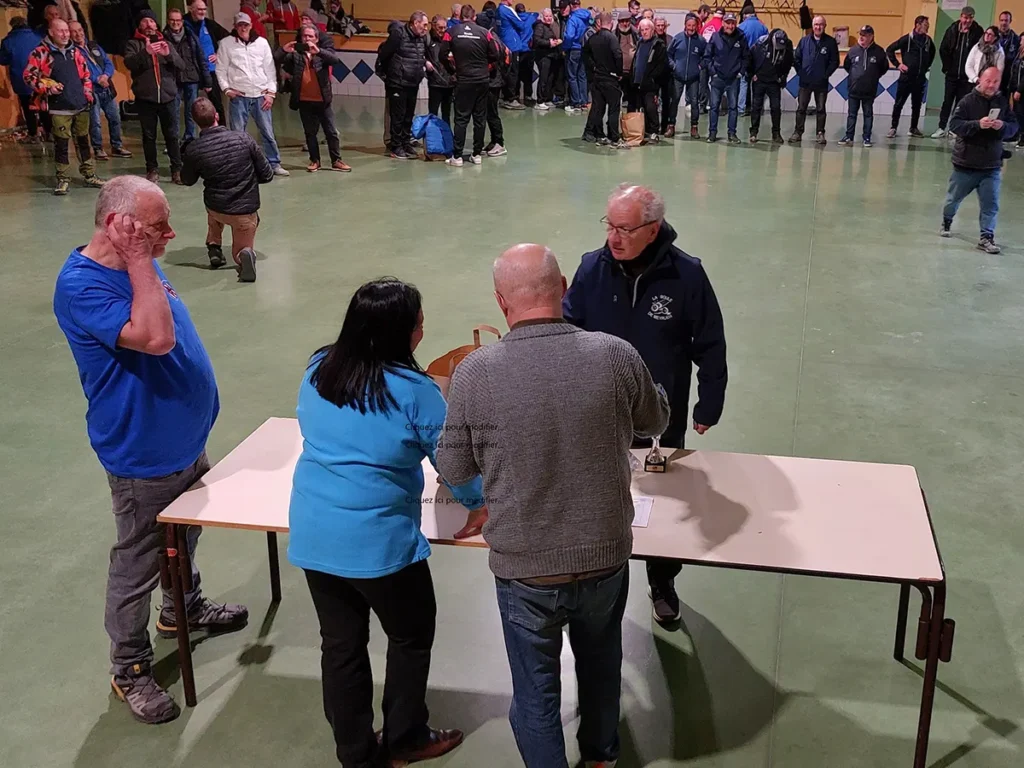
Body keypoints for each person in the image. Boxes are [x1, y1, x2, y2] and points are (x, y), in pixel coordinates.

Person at [436, 242, 670, 768]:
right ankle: (601, 758)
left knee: (537, 695)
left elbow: (454, 470)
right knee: (603, 669)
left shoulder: (476, 373)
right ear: (563, 289)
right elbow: (655, 422)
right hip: (605, 558)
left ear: (501, 302)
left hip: (526, 570)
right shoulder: (615, 354)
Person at [52, 175, 248, 724]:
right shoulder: (83, 285)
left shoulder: (134, 262)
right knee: (138, 560)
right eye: (158, 226)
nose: (170, 233)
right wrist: (142, 259)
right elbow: (156, 340)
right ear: (120, 227)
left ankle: (182, 608)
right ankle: (131, 666)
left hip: (184, 441)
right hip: (143, 455)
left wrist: (142, 256)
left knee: (184, 531)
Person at [289, 278, 478, 768]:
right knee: (411, 635)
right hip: (378, 546)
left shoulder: (318, 367)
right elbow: (454, 466)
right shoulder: (417, 392)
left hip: (314, 533)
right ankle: (406, 737)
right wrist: (480, 503)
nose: (422, 331)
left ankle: (355, 752)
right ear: (403, 334)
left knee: (342, 645)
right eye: (418, 324)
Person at [563, 184, 727, 626]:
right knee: (596, 491)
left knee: (666, 499)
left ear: (652, 230)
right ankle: (595, 574)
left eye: (625, 229)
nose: (614, 238)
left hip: (660, 414)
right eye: (610, 226)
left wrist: (708, 403)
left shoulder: (687, 276)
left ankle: (662, 580)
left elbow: (709, 343)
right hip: (597, 410)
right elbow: (566, 330)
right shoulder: (590, 269)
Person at [181, 97, 273, 280]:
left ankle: (214, 247)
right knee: (241, 250)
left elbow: (187, 180)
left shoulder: (194, 149)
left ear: (195, 122)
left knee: (214, 208)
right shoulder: (244, 138)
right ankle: (244, 256)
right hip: (245, 212)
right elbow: (267, 174)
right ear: (217, 115)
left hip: (216, 208)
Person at [941, 66, 1018, 253]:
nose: (991, 85)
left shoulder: (1002, 102)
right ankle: (947, 220)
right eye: (988, 81)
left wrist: (1003, 126)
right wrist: (977, 124)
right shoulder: (967, 101)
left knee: (991, 205)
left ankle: (986, 237)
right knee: (953, 200)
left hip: (991, 166)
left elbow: (1014, 127)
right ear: (980, 80)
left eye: (996, 81)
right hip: (965, 164)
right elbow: (955, 125)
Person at [24, 18, 103, 195]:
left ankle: (89, 175)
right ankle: (63, 179)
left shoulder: (76, 51)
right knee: (61, 144)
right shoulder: (40, 53)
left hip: (81, 106)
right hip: (58, 108)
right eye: (61, 31)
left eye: (67, 31)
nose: (65, 34)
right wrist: (46, 88)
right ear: (51, 32)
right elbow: (28, 77)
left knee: (84, 142)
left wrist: (88, 92)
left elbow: (86, 75)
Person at [217, 13, 289, 176]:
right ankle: (239, 166)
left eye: (246, 25)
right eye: (240, 25)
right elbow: (221, 69)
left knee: (267, 132)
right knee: (237, 134)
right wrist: (227, 89)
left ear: (251, 25)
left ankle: (274, 163)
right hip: (239, 96)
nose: (243, 28)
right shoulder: (226, 44)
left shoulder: (262, 43)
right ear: (235, 27)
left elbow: (270, 70)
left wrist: (271, 93)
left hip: (261, 95)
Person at [277, 26, 351, 173]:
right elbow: (276, 59)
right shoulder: (295, 55)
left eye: (311, 37)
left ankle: (336, 160)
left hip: (323, 101)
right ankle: (314, 160)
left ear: (316, 39)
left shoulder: (321, 55)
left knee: (331, 132)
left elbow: (335, 59)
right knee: (310, 133)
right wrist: (284, 50)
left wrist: (319, 51)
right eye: (305, 36)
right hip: (304, 100)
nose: (307, 39)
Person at [124, 11, 185, 184]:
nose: (149, 24)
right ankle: (152, 169)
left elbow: (181, 65)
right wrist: (146, 52)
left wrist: (168, 55)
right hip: (146, 99)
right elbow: (129, 64)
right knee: (148, 136)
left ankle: (177, 169)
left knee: (172, 135)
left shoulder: (166, 42)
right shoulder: (133, 44)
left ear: (156, 24)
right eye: (145, 21)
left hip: (169, 97)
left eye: (152, 21)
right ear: (140, 26)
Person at [440, 4, 499, 167]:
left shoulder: (451, 32)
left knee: (461, 118)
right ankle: (476, 154)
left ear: (459, 17)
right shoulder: (485, 33)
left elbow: (442, 54)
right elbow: (495, 54)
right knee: (479, 118)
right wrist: (484, 65)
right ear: (474, 17)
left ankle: (457, 157)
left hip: (463, 80)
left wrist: (452, 70)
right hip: (482, 80)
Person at [70, 21, 130, 161]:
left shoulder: (94, 45)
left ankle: (117, 146)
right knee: (95, 122)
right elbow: (78, 72)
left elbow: (108, 62)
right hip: (92, 91)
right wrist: (97, 79)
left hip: (106, 88)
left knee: (115, 118)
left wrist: (106, 76)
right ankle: (98, 148)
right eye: (74, 32)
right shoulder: (72, 52)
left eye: (80, 30)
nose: (78, 34)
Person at [378, 11, 429, 160]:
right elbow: (384, 55)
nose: (426, 28)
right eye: (424, 25)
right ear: (415, 23)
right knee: (397, 116)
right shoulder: (398, 35)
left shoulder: (422, 38)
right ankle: (396, 146)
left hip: (413, 82)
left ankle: (406, 143)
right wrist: (391, 74)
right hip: (398, 82)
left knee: (408, 116)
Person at [933, 6, 983, 139]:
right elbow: (943, 49)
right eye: (965, 17)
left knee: (961, 103)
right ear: (961, 17)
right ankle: (942, 127)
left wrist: (973, 72)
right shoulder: (952, 29)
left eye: (970, 18)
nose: (968, 20)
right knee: (947, 101)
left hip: (967, 76)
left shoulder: (978, 31)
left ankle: (955, 129)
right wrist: (948, 67)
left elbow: (979, 53)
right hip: (952, 74)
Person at [789, 15, 838, 146]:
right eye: (816, 24)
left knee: (821, 109)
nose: (818, 27)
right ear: (812, 26)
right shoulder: (804, 41)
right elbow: (796, 59)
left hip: (821, 83)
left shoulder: (830, 42)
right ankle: (798, 132)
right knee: (801, 108)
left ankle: (820, 133)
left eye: (821, 24)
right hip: (805, 83)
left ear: (824, 26)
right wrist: (801, 73)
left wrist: (825, 75)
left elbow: (835, 62)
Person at [165, 8, 211, 144]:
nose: (175, 23)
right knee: (173, 113)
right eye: (172, 20)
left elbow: (201, 58)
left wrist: (207, 80)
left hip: (192, 79)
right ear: (168, 21)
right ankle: (173, 141)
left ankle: (189, 138)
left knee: (192, 111)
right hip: (173, 80)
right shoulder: (163, 38)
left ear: (182, 21)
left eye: (178, 20)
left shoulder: (191, 36)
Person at [838, 25, 888, 148]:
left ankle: (867, 137)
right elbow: (847, 66)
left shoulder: (879, 51)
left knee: (868, 114)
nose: (861, 37)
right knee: (851, 114)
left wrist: (872, 77)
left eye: (864, 35)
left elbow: (884, 68)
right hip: (854, 89)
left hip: (869, 90)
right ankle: (849, 136)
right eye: (860, 34)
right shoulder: (853, 50)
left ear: (871, 37)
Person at [885, 16, 935, 138]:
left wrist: (925, 67)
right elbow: (889, 50)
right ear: (917, 25)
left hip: (920, 78)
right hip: (906, 78)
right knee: (899, 103)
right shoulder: (906, 39)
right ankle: (893, 127)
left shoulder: (928, 41)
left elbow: (932, 54)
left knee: (917, 104)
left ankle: (913, 128)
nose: (927, 27)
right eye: (925, 25)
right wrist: (898, 65)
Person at [1, 16, 48, 142]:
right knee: (43, 105)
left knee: (28, 108)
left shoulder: (8, 41)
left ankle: (33, 134)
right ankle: (49, 133)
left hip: (21, 79)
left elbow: (3, 59)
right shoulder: (37, 37)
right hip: (40, 78)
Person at [704, 12, 748, 144]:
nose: (730, 25)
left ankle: (732, 134)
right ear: (723, 23)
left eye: (732, 23)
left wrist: (741, 72)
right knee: (714, 107)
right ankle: (712, 133)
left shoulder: (741, 37)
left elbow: (746, 57)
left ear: (735, 24)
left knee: (733, 107)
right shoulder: (715, 37)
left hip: (733, 79)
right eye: (728, 23)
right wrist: (713, 72)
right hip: (717, 78)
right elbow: (707, 56)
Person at [184, 1, 229, 126]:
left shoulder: (209, 24)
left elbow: (228, 37)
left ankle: (222, 130)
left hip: (210, 70)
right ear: (191, 9)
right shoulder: (182, 24)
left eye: (204, 9)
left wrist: (218, 54)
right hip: (191, 70)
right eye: (199, 9)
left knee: (217, 104)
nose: (202, 12)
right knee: (190, 106)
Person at [582, 11, 623, 147]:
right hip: (610, 78)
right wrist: (619, 72)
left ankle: (592, 133)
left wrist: (593, 67)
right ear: (611, 23)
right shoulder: (612, 38)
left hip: (597, 78)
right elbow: (617, 55)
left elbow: (585, 53)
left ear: (599, 23)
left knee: (598, 108)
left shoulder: (593, 38)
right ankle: (614, 136)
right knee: (614, 108)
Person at [747, 27, 792, 144]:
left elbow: (788, 62)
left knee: (776, 108)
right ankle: (753, 132)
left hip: (774, 82)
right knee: (756, 107)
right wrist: (752, 74)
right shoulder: (760, 43)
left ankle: (776, 133)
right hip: (759, 80)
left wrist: (782, 77)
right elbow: (749, 59)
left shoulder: (787, 46)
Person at [667, 13, 705, 139]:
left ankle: (694, 127)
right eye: (689, 25)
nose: (691, 28)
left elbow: (706, 56)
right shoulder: (677, 38)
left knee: (694, 102)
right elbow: (669, 55)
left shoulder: (701, 41)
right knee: (675, 100)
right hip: (678, 76)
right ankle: (671, 125)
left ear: (697, 26)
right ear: (685, 25)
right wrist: (674, 66)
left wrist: (699, 67)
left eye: (694, 25)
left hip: (694, 78)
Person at [495, 0, 535, 109]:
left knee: (506, 70)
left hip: (504, 43)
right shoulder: (507, 10)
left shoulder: (498, 10)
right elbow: (521, 25)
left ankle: (505, 97)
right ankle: (511, 99)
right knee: (513, 72)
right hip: (512, 44)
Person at [561, 0, 591, 113]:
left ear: (571, 6)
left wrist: (565, 48)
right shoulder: (587, 17)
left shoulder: (573, 18)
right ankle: (583, 102)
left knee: (572, 76)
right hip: (584, 49)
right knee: (582, 76)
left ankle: (576, 102)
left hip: (573, 49)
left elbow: (569, 36)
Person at [736, 7, 766, 116]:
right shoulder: (763, 27)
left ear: (745, 15)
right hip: (759, 60)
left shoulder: (741, 27)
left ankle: (741, 109)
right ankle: (757, 108)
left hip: (745, 58)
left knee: (744, 83)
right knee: (757, 84)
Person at [426, 14, 455, 125]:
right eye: (440, 28)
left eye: (445, 27)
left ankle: (446, 138)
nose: (443, 30)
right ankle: (431, 139)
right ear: (433, 26)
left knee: (446, 114)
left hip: (449, 81)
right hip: (435, 82)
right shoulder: (427, 39)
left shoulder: (449, 39)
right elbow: (421, 55)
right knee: (432, 113)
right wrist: (426, 62)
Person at [532, 7, 562, 110]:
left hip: (551, 55)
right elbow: (537, 40)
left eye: (550, 16)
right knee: (544, 78)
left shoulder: (550, 26)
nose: (548, 18)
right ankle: (539, 101)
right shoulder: (540, 26)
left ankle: (547, 99)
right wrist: (549, 43)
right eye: (546, 16)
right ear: (542, 17)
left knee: (550, 78)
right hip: (543, 56)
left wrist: (556, 42)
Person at [997, 10, 1019, 94]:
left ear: (1010, 21)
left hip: (1007, 77)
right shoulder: (993, 36)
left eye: (1006, 20)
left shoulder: (1016, 39)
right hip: (993, 74)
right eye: (1002, 20)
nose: (1003, 23)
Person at [1010, 38, 1024, 149]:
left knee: (1021, 114)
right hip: (1015, 89)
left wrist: (1019, 89)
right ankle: (1016, 135)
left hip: (1021, 91)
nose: (1021, 42)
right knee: (1016, 113)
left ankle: (1023, 138)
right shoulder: (1019, 54)